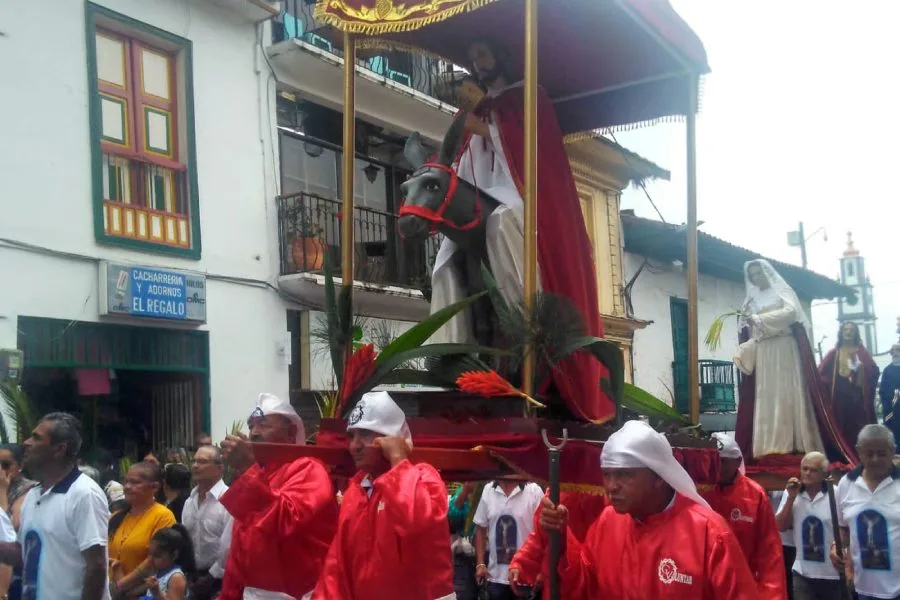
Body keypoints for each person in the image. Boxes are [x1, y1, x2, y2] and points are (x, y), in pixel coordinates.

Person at [431, 36, 610, 423]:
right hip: (484, 190)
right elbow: (464, 162)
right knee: (446, 251)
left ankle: (522, 327)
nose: (477, 63)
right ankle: (450, 349)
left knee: (500, 221)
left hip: (525, 199)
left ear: (502, 54)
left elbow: (530, 151)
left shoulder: (530, 95)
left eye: (483, 53)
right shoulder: (478, 107)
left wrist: (486, 121)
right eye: (473, 57)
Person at [539, 420, 758, 599]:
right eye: (607, 474)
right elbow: (584, 586)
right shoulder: (608, 522)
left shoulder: (709, 533)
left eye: (625, 474)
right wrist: (561, 538)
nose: (612, 486)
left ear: (658, 478)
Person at [313, 391, 454, 599]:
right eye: (351, 436)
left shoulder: (425, 478)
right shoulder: (356, 491)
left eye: (366, 434)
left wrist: (398, 457)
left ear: (391, 439)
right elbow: (337, 567)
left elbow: (415, 521)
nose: (355, 446)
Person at [219, 393, 337, 600]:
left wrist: (247, 469)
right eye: (251, 426)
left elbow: (285, 521)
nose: (254, 433)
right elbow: (240, 553)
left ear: (291, 432)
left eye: (264, 425)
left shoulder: (309, 469)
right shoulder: (258, 475)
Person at [734, 259, 854, 460]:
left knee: (787, 392)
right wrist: (748, 322)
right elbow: (747, 326)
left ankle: (795, 441)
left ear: (767, 273)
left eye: (759, 273)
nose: (756, 277)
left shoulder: (783, 292)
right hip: (764, 350)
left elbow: (791, 312)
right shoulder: (750, 301)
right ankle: (768, 444)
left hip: (784, 347)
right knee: (767, 394)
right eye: (752, 275)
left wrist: (762, 319)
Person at [0, 412, 109, 600]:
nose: (26, 442)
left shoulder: (83, 493)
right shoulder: (34, 494)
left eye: (36, 438)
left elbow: (97, 565)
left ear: (59, 449)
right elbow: (23, 553)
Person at [703, 433, 786, 598]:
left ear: (738, 462)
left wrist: (771, 594)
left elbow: (769, 549)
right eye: (714, 460)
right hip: (706, 585)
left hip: (744, 586)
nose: (718, 466)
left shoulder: (755, 495)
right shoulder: (700, 491)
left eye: (724, 461)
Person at [832, 424, 900, 600]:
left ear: (892, 451)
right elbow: (843, 527)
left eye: (882, 453)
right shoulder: (846, 484)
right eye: (869, 453)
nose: (875, 459)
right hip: (862, 588)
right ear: (858, 452)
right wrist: (835, 546)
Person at [775, 452, 841, 600]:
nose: (807, 473)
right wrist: (791, 498)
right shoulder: (792, 493)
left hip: (832, 574)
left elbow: (846, 527)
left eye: (813, 470)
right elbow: (780, 526)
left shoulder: (835, 493)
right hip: (802, 573)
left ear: (824, 474)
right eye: (804, 469)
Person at [109, 462, 177, 598]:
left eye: (135, 483)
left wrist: (120, 587)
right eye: (126, 481)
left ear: (155, 487)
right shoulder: (116, 516)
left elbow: (155, 559)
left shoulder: (163, 516)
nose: (127, 487)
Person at [473, 478, 543, 599]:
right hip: (495, 578)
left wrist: (542, 571)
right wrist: (480, 564)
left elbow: (543, 532)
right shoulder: (488, 490)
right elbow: (480, 527)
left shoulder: (534, 491)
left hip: (525, 579)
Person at [182, 445, 231, 600]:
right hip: (192, 578)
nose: (195, 466)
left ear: (219, 468)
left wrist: (211, 577)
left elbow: (229, 546)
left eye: (202, 462)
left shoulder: (229, 500)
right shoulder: (189, 502)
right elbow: (186, 540)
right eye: (194, 461)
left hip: (220, 581)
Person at [819, 322, 879, 447]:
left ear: (856, 333)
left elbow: (873, 371)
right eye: (845, 329)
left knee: (858, 427)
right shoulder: (834, 353)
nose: (848, 332)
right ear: (841, 333)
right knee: (840, 427)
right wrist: (825, 384)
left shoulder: (862, 353)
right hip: (839, 400)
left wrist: (860, 368)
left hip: (857, 399)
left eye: (852, 330)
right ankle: (841, 453)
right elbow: (821, 374)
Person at [0, 444, 37, 600]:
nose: (1, 469)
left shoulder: (29, 489)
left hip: (15, 565)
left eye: (5, 465)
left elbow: (13, 525)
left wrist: (2, 491)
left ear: (20, 466)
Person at [140, 526, 195, 600]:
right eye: (149, 554)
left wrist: (157, 593)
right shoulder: (156, 572)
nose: (150, 559)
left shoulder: (176, 577)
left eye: (157, 556)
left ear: (174, 555)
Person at [448, 482, 478, 600]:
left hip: (489, 554)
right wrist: (464, 493)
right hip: (464, 554)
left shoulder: (491, 489)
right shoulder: (462, 490)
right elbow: (451, 519)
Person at [879, 344, 900, 452]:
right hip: (891, 409)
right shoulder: (887, 370)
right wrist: (890, 400)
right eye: (894, 350)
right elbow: (882, 390)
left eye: (898, 350)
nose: (896, 352)